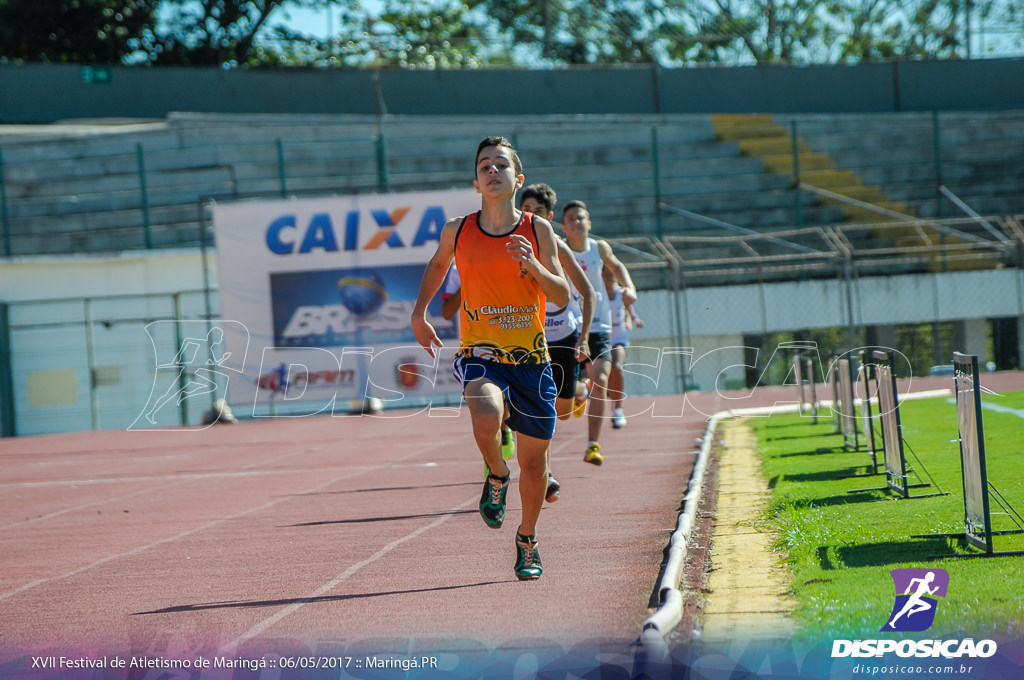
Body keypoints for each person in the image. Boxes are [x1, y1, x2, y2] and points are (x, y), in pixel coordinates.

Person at [411, 136, 569, 581]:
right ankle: (497, 475)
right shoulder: (458, 230)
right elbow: (439, 266)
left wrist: (536, 269)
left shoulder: (537, 230)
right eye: (484, 166)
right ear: (476, 181)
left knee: (536, 466)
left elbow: (561, 296)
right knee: (484, 411)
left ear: (518, 179)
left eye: (501, 165)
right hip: (481, 352)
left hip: (532, 361)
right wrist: (419, 313)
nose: (492, 171)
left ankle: (527, 539)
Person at [519, 183, 596, 503]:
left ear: (549, 217)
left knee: (562, 412)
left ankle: (580, 389)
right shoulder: (509, 245)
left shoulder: (558, 247)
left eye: (538, 212)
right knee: (542, 410)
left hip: (564, 336)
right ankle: (546, 474)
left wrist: (584, 338)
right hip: (529, 340)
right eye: (526, 210)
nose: (531, 216)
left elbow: (589, 293)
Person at [560, 199, 637, 465]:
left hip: (599, 326)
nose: (576, 222)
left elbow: (617, 267)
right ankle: (580, 390)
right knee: (566, 399)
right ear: (563, 226)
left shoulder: (599, 248)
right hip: (568, 327)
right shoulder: (559, 249)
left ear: (589, 223)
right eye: (570, 219)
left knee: (602, 378)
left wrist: (629, 289)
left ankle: (593, 444)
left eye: (580, 218)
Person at [440, 263, 516, 466]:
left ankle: (504, 431)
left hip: (512, 339)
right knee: (486, 403)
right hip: (476, 347)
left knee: (516, 404)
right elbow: (447, 312)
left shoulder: (508, 257)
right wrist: (466, 284)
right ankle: (492, 459)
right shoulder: (458, 269)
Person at [603, 265, 643, 429]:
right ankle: (603, 391)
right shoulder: (596, 293)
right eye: (605, 273)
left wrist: (633, 319)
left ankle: (618, 410)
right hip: (601, 335)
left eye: (611, 273)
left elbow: (629, 307)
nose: (609, 276)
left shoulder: (621, 293)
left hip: (619, 335)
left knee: (617, 366)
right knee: (603, 375)